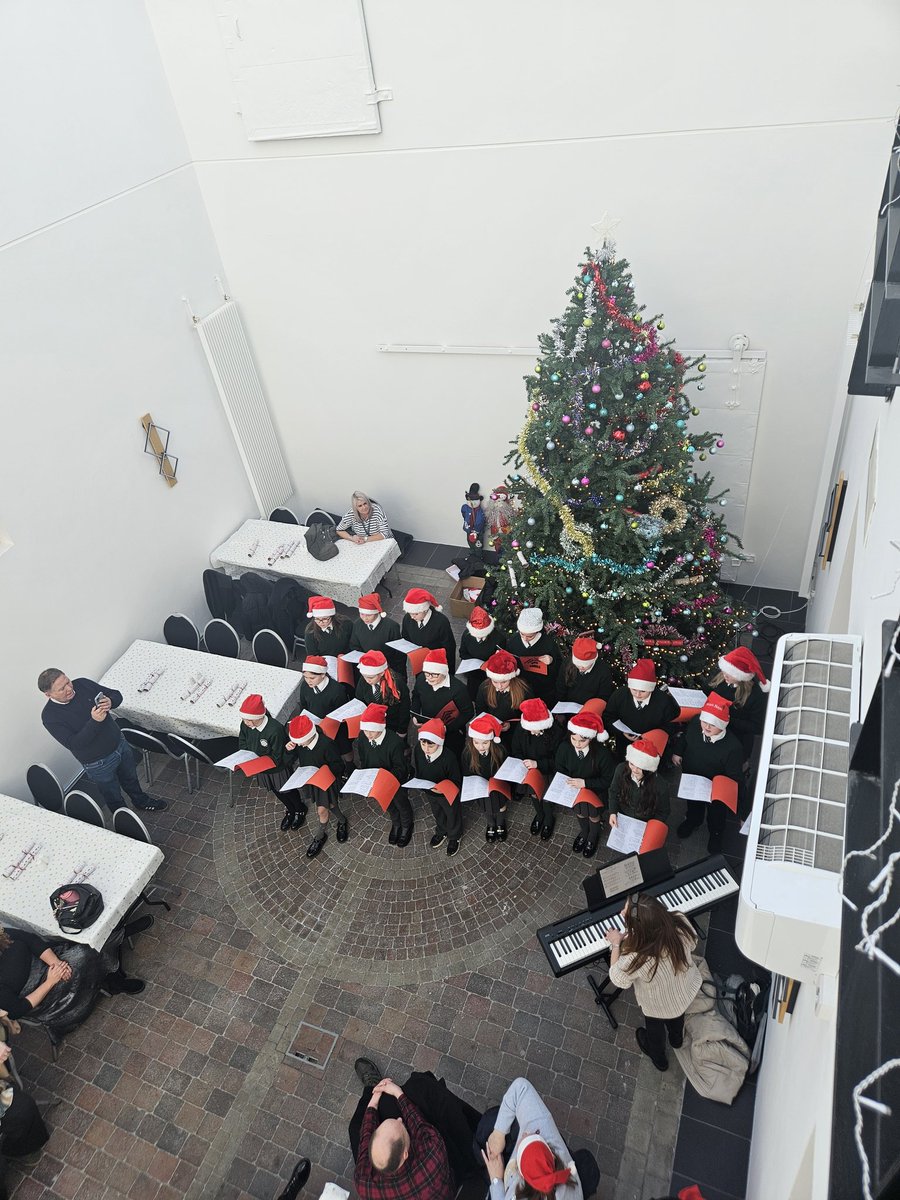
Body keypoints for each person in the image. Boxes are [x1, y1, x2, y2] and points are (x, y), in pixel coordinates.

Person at [350, 1057, 483, 1199]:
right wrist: (398, 1093)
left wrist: (374, 1100)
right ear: (405, 1154)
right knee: (421, 1088)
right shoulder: (433, 1157)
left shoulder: (363, 1183)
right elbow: (420, 1126)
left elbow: (364, 1141)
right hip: (450, 1184)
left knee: (355, 1128)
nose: (400, 1120)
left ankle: (371, 1088)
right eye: (401, 1125)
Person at [38, 668, 167, 812]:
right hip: (98, 763)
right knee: (112, 795)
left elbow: (116, 695)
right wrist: (94, 721)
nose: (69, 688)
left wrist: (111, 701)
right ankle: (124, 819)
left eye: (67, 681)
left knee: (131, 779)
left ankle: (141, 802)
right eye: (61, 689)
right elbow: (74, 744)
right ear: (48, 694)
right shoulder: (50, 717)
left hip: (120, 744)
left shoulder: (82, 684)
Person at [607, 892, 703, 1072]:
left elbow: (617, 977)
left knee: (655, 1030)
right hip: (684, 991)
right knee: (677, 1016)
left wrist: (615, 943)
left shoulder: (638, 957)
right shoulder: (680, 921)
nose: (621, 912)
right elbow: (693, 943)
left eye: (625, 912)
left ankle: (660, 1060)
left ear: (640, 928)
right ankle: (676, 1040)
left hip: (657, 1004)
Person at [0, 927, 130, 1046]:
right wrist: (51, 981)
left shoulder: (1, 934)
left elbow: (29, 939)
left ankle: (116, 941)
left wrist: (56, 963)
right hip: (37, 990)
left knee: (79, 939)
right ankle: (118, 944)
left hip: (41, 961)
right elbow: (17, 1010)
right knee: (83, 954)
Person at [480, 1076, 586, 1200]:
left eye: (521, 1147)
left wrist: (497, 1182)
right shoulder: (551, 1140)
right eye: (535, 1137)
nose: (525, 1134)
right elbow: (520, 1088)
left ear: (521, 1176)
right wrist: (499, 1133)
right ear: (551, 1155)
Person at [673, 693, 744, 854]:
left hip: (715, 789)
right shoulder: (695, 723)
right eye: (704, 722)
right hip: (693, 778)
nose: (706, 727)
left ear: (723, 725)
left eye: (712, 724)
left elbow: (735, 777)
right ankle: (693, 821)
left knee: (716, 815)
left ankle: (716, 834)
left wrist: (742, 808)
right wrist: (678, 752)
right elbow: (685, 738)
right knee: (693, 805)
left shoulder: (733, 748)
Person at [554, 710, 616, 859]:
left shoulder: (602, 754)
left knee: (594, 815)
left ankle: (592, 836)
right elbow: (559, 768)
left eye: (582, 741)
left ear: (591, 738)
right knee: (580, 812)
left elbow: (608, 780)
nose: (577, 744)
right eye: (574, 739)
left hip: (595, 791)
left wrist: (586, 783)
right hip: (574, 789)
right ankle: (584, 832)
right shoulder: (564, 748)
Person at [284, 715, 349, 857]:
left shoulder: (327, 744)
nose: (299, 745)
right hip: (313, 779)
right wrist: (289, 751)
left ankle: (320, 836)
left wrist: (324, 772)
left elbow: (338, 766)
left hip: (326, 780)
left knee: (322, 810)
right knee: (331, 805)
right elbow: (288, 760)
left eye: (300, 742)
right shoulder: (300, 745)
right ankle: (342, 821)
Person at [356, 704, 412, 846]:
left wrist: (386, 780)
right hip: (376, 781)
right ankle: (396, 823)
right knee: (387, 804)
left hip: (394, 782)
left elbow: (401, 768)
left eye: (371, 731)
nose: (368, 734)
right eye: (365, 730)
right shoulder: (363, 738)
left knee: (401, 803)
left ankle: (406, 825)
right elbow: (363, 758)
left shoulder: (394, 743)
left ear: (380, 727)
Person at [602, 658, 680, 758]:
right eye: (634, 690)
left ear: (651, 689)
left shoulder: (664, 701)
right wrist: (622, 732)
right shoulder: (620, 695)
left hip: (652, 748)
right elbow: (608, 717)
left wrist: (649, 737)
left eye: (643, 691)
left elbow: (671, 725)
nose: (638, 694)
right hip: (624, 746)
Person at [511, 698, 563, 841]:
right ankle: (539, 815)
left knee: (545, 797)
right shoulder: (523, 729)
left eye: (535, 729)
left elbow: (558, 760)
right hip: (530, 770)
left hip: (547, 770)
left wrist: (538, 764)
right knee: (534, 794)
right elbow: (516, 748)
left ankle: (548, 819)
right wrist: (523, 762)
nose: (532, 732)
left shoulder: (556, 733)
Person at [707, 646, 770, 764]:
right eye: (724, 672)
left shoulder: (755, 696)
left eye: (730, 674)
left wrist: (728, 720)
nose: (725, 676)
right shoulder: (722, 679)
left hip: (737, 739)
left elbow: (757, 727)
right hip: (714, 729)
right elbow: (708, 691)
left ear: (741, 676)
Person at [411, 719, 463, 857]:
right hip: (430, 792)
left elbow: (456, 780)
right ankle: (441, 830)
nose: (426, 749)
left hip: (447, 795)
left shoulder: (449, 757)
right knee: (437, 811)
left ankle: (454, 836)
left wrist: (444, 789)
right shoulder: (418, 750)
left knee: (452, 813)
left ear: (439, 743)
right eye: (423, 744)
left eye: (430, 745)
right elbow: (419, 768)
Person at [410, 649, 474, 757]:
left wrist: (447, 728)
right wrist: (415, 713)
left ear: (444, 672)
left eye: (434, 674)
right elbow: (416, 696)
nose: (429, 678)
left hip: (451, 734)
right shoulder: (421, 680)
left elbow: (468, 712)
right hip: (428, 730)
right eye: (427, 673)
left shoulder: (459, 689)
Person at [238, 694, 296, 807]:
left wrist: (259, 762)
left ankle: (298, 808)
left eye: (249, 720)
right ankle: (290, 809)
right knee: (275, 789)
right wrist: (246, 755)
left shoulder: (275, 730)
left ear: (259, 717)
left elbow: (277, 755)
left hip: (277, 769)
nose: (245, 723)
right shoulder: (246, 725)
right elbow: (242, 740)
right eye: (244, 719)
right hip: (261, 766)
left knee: (287, 790)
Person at [296, 655, 353, 759]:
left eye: (312, 678)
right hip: (315, 726)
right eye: (305, 677)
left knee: (343, 749)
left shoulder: (337, 690)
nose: (308, 681)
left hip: (336, 727)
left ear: (323, 674)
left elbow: (342, 712)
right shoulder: (305, 686)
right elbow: (304, 706)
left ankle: (349, 765)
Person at [463, 713, 509, 843]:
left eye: (485, 743)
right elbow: (466, 770)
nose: (480, 746)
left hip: (497, 785)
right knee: (485, 806)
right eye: (476, 742)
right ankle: (491, 824)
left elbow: (506, 768)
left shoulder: (500, 751)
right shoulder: (468, 753)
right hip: (481, 787)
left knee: (501, 806)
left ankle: (500, 823)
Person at [607, 739, 671, 830]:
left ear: (649, 768)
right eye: (632, 764)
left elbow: (663, 812)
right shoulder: (621, 769)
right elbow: (613, 791)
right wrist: (613, 812)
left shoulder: (660, 785)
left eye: (640, 767)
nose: (634, 770)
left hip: (645, 821)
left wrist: (652, 828)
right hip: (623, 815)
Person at [505, 609, 561, 705]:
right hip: (521, 688)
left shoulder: (549, 644)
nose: (525, 638)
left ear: (537, 631)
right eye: (521, 634)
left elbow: (559, 670)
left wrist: (552, 661)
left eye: (529, 636)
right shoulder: (513, 641)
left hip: (543, 690)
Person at [476, 651, 532, 739]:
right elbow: (481, 710)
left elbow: (529, 715)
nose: (499, 686)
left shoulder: (524, 690)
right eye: (495, 682)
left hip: (517, 733)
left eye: (504, 682)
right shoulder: (484, 687)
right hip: (492, 731)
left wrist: (511, 725)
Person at [355, 651, 410, 738]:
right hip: (372, 727)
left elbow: (404, 708)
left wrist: (402, 730)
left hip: (392, 725)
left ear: (381, 673)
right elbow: (360, 700)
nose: (367, 680)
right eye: (364, 676)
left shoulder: (397, 683)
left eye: (371, 677)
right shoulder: (363, 681)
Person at [401, 589, 457, 673]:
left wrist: (448, 670)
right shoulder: (407, 618)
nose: (412, 617)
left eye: (416, 614)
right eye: (410, 613)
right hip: (418, 660)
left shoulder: (441, 622)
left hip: (436, 662)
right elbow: (406, 637)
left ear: (425, 609)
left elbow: (449, 647)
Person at [458, 606, 506, 700]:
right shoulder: (467, 635)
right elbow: (463, 653)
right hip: (473, 673)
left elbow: (501, 659)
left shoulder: (499, 638)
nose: (479, 638)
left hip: (490, 675)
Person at [350, 593, 405, 675]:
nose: (364, 618)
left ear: (376, 613)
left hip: (386, 668)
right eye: (362, 614)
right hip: (366, 667)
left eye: (369, 615)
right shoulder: (358, 624)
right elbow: (354, 645)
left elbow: (398, 654)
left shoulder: (391, 627)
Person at [555, 638, 614, 708]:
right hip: (567, 707)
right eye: (578, 664)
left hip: (590, 709)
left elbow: (603, 698)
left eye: (585, 665)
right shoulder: (567, 663)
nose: (581, 667)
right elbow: (561, 687)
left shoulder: (603, 671)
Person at [461, 482, 487, 549]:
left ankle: (478, 556)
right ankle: (472, 553)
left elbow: (481, 521)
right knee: (470, 542)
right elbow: (463, 514)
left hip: (477, 532)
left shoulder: (479, 511)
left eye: (475, 501)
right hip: (469, 529)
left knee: (478, 544)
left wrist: (476, 531)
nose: (473, 503)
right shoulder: (465, 507)